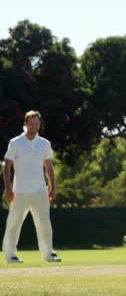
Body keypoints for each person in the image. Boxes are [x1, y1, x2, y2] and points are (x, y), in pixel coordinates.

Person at [2, 110, 61, 263]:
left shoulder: (44, 144)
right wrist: (8, 189)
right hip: (19, 192)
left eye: (37, 123)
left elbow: (49, 167)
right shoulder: (15, 143)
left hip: (40, 191)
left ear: (39, 124)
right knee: (13, 223)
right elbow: (7, 167)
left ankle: (49, 254)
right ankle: (11, 255)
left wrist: (53, 187)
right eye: (31, 123)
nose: (34, 126)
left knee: (44, 224)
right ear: (26, 124)